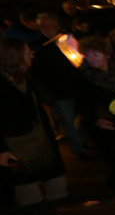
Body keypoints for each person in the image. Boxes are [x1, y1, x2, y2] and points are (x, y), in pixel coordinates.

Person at [0, 38, 67, 205]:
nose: (32, 54)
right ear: (13, 56)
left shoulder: (27, 77)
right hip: (14, 148)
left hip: (41, 142)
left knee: (59, 188)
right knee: (29, 196)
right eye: (26, 51)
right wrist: (1, 150)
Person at [76, 36, 115, 192]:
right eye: (87, 54)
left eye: (95, 54)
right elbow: (81, 103)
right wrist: (96, 120)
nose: (91, 58)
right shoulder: (82, 75)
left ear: (107, 55)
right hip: (104, 123)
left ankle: (113, 188)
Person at [32, 13, 87, 158]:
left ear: (58, 26)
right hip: (58, 91)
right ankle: (78, 149)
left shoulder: (69, 39)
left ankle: (83, 140)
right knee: (69, 121)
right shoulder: (38, 46)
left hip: (78, 87)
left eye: (50, 26)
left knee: (82, 116)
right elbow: (38, 73)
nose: (47, 29)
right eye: (43, 26)